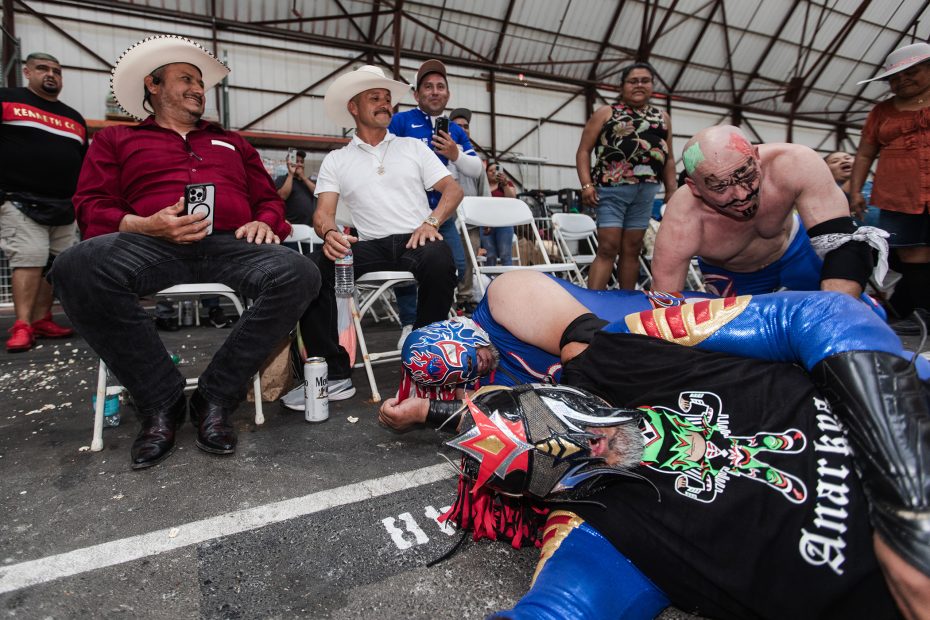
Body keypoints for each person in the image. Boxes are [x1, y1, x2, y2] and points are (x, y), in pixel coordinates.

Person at [381, 270, 930, 619]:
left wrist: (907, 506)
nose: (575, 445)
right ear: (538, 498)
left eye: (546, 419)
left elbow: (823, 315)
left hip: (896, 424)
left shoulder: (617, 352)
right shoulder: (592, 533)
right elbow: (559, 610)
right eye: (543, 470)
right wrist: (432, 412)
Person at [49, 35, 317, 469]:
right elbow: (91, 205)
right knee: (76, 266)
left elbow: (269, 199)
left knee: (300, 272)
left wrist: (264, 221)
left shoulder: (233, 142)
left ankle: (216, 396)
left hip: (231, 243)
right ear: (153, 86)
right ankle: (160, 400)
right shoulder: (117, 139)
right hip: (150, 241)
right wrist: (144, 224)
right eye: (186, 79)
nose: (198, 88)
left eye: (200, 82)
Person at [282, 65, 462, 411]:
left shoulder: (412, 147)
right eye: (374, 98)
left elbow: (452, 189)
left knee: (441, 259)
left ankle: (423, 363)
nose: (384, 104)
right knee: (312, 268)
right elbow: (322, 214)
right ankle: (332, 376)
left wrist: (432, 221)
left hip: (416, 237)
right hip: (369, 243)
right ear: (354, 107)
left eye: (387, 98)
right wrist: (330, 233)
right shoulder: (337, 159)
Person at [653, 125, 888, 300]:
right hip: (735, 274)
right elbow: (665, 298)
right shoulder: (683, 216)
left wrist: (839, 313)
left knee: (860, 321)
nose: (741, 194)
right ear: (695, 188)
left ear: (756, 158)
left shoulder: (794, 163)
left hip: (796, 250)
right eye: (720, 186)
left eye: (746, 176)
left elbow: (844, 244)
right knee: (738, 351)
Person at [389, 60, 483, 339]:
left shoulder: (455, 131)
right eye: (427, 87)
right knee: (407, 269)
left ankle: (433, 320)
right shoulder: (400, 121)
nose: (434, 91)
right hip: (408, 214)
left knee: (458, 266)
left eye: (440, 87)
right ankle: (409, 321)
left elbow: (476, 169)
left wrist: (455, 154)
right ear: (416, 95)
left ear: (448, 95)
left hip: (443, 214)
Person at [0, 52, 86, 352]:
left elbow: (81, 161)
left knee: (56, 265)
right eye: (43, 69)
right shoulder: (7, 99)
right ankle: (22, 324)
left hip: (63, 204)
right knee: (30, 258)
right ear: (27, 72)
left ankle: (41, 318)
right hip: (18, 199)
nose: (51, 75)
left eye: (56, 71)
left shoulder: (74, 118)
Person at [576, 62, 676, 290]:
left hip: (647, 191)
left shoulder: (662, 117)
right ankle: (593, 304)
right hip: (611, 191)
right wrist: (586, 185)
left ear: (652, 85)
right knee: (608, 247)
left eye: (645, 81)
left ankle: (626, 304)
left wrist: (672, 190)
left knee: (633, 248)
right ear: (622, 86)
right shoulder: (606, 113)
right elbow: (583, 150)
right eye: (633, 81)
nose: (639, 85)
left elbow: (669, 158)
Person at [850, 42, 930, 325]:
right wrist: (856, 190)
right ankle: (922, 314)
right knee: (912, 251)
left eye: (912, 72)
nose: (902, 80)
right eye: (894, 77)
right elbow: (864, 153)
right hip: (898, 192)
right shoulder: (881, 111)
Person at [450, 107, 491, 312]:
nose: (463, 129)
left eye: (466, 126)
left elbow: (484, 190)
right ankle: (446, 296)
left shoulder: (475, 161)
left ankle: (465, 298)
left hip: (471, 220)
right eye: (458, 126)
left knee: (469, 259)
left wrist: (486, 219)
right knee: (448, 259)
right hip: (447, 218)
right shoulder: (441, 156)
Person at [480, 163, 517, 267]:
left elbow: (512, 199)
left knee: (505, 254)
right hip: (486, 224)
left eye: (495, 169)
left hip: (504, 223)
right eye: (490, 170)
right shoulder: (482, 185)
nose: (493, 172)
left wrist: (505, 184)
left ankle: (508, 281)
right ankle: (489, 280)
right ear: (486, 173)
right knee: (489, 255)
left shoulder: (507, 184)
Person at [275, 148, 317, 228]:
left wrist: (303, 177)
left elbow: (318, 193)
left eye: (302, 162)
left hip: (310, 228)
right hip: (292, 227)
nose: (300, 164)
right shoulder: (282, 179)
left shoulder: (308, 181)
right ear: (289, 163)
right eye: (297, 161)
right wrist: (291, 174)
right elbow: (282, 196)